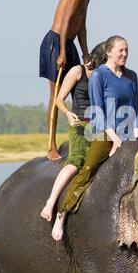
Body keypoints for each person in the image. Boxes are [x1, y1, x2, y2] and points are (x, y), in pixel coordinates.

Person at [51, 35, 138, 241]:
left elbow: (136, 108)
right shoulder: (99, 75)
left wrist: (136, 134)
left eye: (127, 50)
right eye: (121, 50)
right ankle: (62, 213)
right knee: (88, 170)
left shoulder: (132, 76)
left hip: (127, 132)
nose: (125, 54)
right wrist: (113, 137)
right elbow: (98, 110)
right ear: (109, 52)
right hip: (103, 132)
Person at [39, 0, 115, 161]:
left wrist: (85, 53)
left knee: (80, 89)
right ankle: (51, 147)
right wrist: (62, 51)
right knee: (55, 95)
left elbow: (81, 25)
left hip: (69, 43)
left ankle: (84, 138)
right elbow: (65, 21)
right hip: (56, 43)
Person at [40, 42, 106, 231]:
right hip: (79, 125)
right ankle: (51, 203)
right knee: (76, 162)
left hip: (99, 126)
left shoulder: (105, 76)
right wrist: (68, 114)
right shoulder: (78, 71)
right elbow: (59, 99)